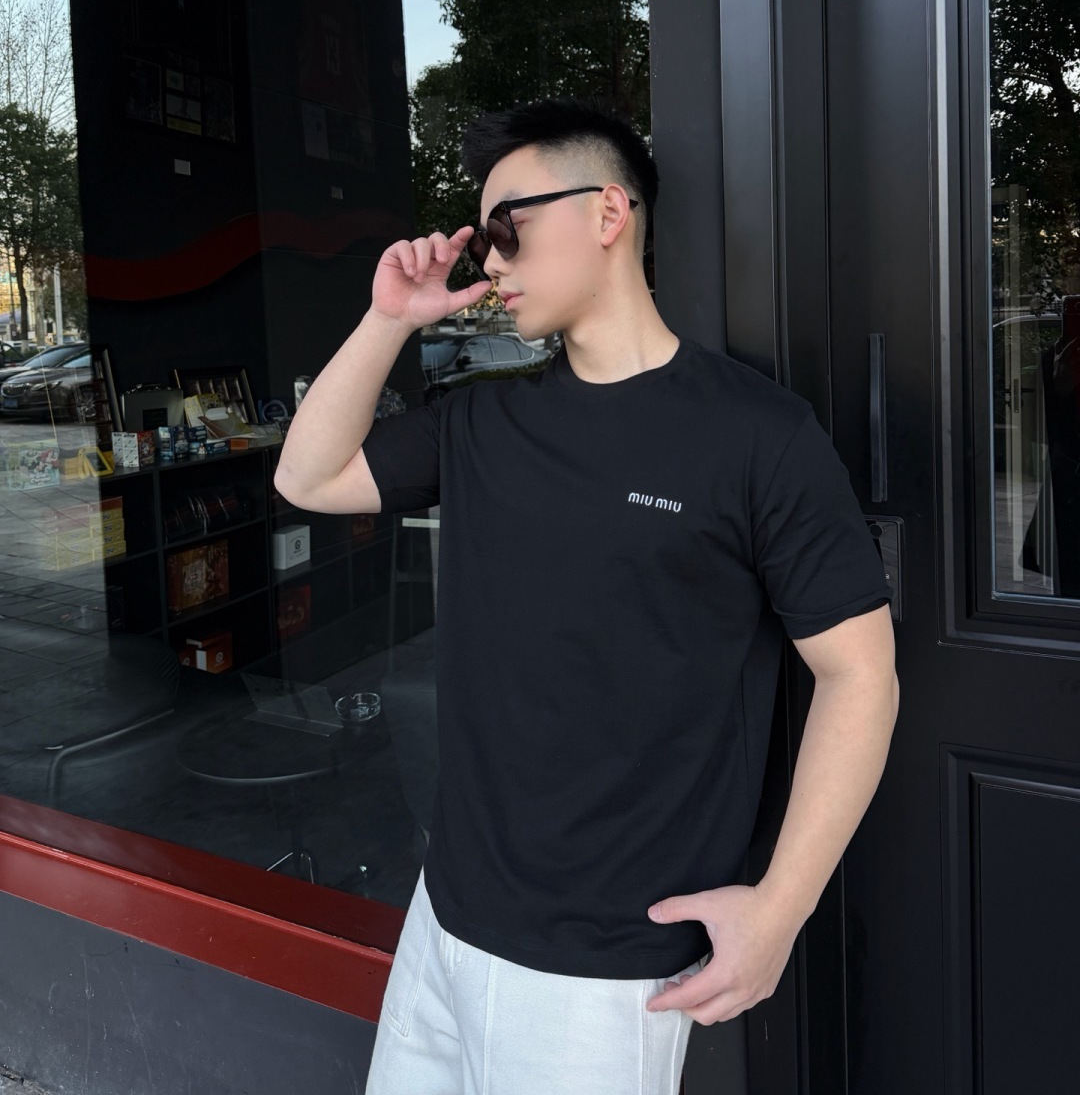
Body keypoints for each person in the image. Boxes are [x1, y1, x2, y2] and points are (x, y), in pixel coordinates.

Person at [273, 95, 899, 1095]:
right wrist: (390, 318)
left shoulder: (756, 435)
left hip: (603, 969)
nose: (491, 262)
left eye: (507, 228)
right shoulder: (484, 425)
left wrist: (780, 908)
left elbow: (860, 674)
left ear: (608, 212)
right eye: (484, 239)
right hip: (445, 919)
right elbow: (307, 477)